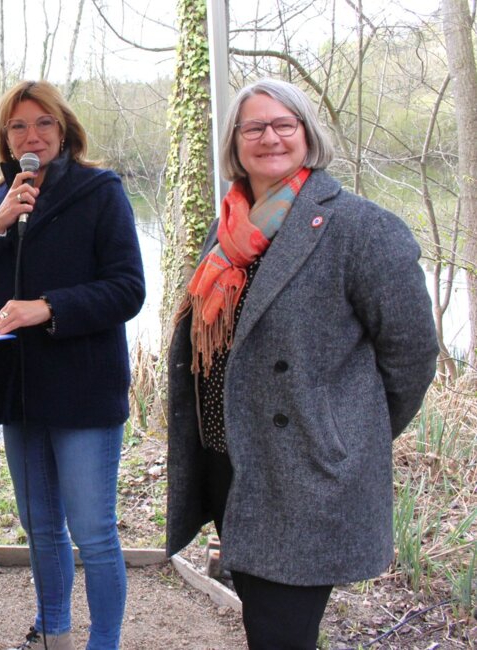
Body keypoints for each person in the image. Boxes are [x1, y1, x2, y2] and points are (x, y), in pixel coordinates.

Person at [166, 78, 438, 649]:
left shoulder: (361, 228)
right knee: (265, 622)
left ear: (307, 135)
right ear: (235, 143)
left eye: (283, 124)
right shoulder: (231, 226)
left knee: (278, 633)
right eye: (254, 127)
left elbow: (412, 355)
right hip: (232, 464)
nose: (269, 137)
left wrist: (346, 433)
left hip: (300, 473)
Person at [0, 80, 145, 650]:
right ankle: (54, 634)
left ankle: (102, 642)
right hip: (21, 389)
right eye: (18, 127)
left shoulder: (101, 191)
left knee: (94, 533)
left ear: (64, 131)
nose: (31, 135)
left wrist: (48, 308)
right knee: (40, 530)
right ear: (6, 142)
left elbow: (128, 290)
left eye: (43, 124)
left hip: (84, 388)